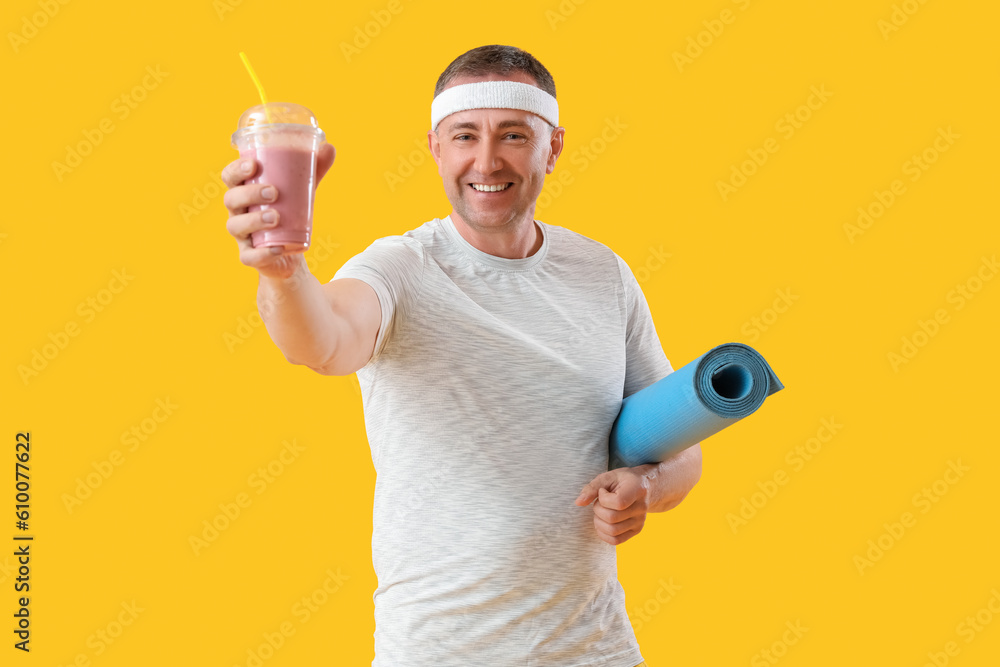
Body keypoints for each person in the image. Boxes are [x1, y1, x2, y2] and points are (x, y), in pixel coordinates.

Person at [222, 44, 702, 667]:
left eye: (512, 135)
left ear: (552, 147)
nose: (485, 160)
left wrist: (648, 484)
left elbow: (682, 449)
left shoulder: (603, 274)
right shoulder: (399, 269)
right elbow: (322, 343)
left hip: (595, 650)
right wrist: (283, 273)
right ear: (435, 148)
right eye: (465, 136)